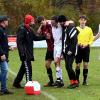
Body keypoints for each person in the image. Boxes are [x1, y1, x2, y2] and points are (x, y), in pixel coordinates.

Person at [13, 15, 45, 88]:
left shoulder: (30, 29)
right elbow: (19, 42)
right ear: (29, 21)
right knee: (28, 68)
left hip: (28, 52)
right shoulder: (22, 29)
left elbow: (35, 38)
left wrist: (45, 37)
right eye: (32, 20)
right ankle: (29, 84)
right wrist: (22, 53)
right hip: (24, 52)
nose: (33, 22)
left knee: (24, 68)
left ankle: (16, 83)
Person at [58, 15, 79, 89]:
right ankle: (72, 82)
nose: (59, 24)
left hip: (71, 51)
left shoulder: (71, 28)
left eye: (60, 22)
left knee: (69, 67)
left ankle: (75, 82)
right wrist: (62, 52)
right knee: (67, 67)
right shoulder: (65, 27)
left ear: (63, 21)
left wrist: (71, 50)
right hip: (65, 51)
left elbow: (74, 40)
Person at [75, 15, 94, 86]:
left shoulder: (89, 29)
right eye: (81, 20)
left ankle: (85, 81)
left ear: (86, 21)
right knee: (77, 65)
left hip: (86, 48)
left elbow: (91, 39)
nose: (82, 21)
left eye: (84, 20)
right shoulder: (76, 29)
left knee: (85, 64)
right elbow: (74, 39)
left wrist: (87, 44)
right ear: (79, 21)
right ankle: (77, 80)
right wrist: (78, 43)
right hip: (78, 48)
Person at [37, 16, 54, 86]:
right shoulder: (43, 27)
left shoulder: (50, 25)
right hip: (49, 49)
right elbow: (38, 32)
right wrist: (41, 25)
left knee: (57, 64)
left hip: (55, 48)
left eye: (42, 22)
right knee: (47, 65)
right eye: (41, 23)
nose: (42, 23)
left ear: (45, 20)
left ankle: (59, 80)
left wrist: (47, 22)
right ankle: (51, 81)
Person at [0, 16, 13, 95]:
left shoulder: (3, 30)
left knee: (4, 71)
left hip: (3, 54)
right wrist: (1, 54)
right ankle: (3, 89)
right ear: (2, 21)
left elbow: (2, 43)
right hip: (1, 55)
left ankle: (3, 89)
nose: (8, 21)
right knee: (5, 70)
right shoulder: (0, 30)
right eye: (6, 20)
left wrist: (8, 48)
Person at [51, 16, 64, 87]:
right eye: (51, 22)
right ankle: (59, 79)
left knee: (56, 61)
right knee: (56, 64)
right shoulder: (52, 25)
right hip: (55, 46)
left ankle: (60, 80)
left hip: (60, 46)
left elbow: (71, 22)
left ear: (57, 22)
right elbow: (46, 21)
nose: (51, 24)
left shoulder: (60, 26)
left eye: (53, 23)